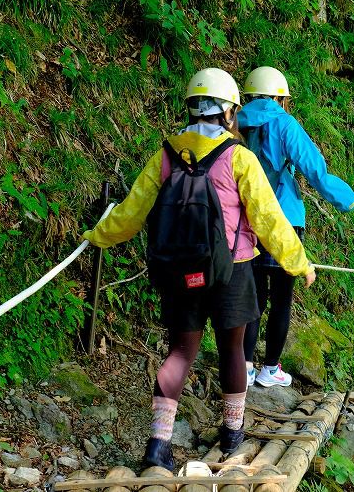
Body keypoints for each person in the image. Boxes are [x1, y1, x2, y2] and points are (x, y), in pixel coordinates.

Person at [82, 68, 316, 471]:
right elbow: (268, 219)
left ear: (191, 108)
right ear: (229, 112)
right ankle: (232, 433)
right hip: (234, 270)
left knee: (179, 353)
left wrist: (96, 235)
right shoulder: (238, 157)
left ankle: (158, 444)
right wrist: (298, 263)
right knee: (231, 350)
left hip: (180, 271)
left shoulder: (166, 155)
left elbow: (132, 213)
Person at [236, 66, 354, 387]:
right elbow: (314, 169)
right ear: (278, 96)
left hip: (247, 219)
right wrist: (345, 198)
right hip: (285, 219)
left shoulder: (235, 123)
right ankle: (270, 368)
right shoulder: (285, 124)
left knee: (252, 297)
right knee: (281, 300)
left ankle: (245, 366)